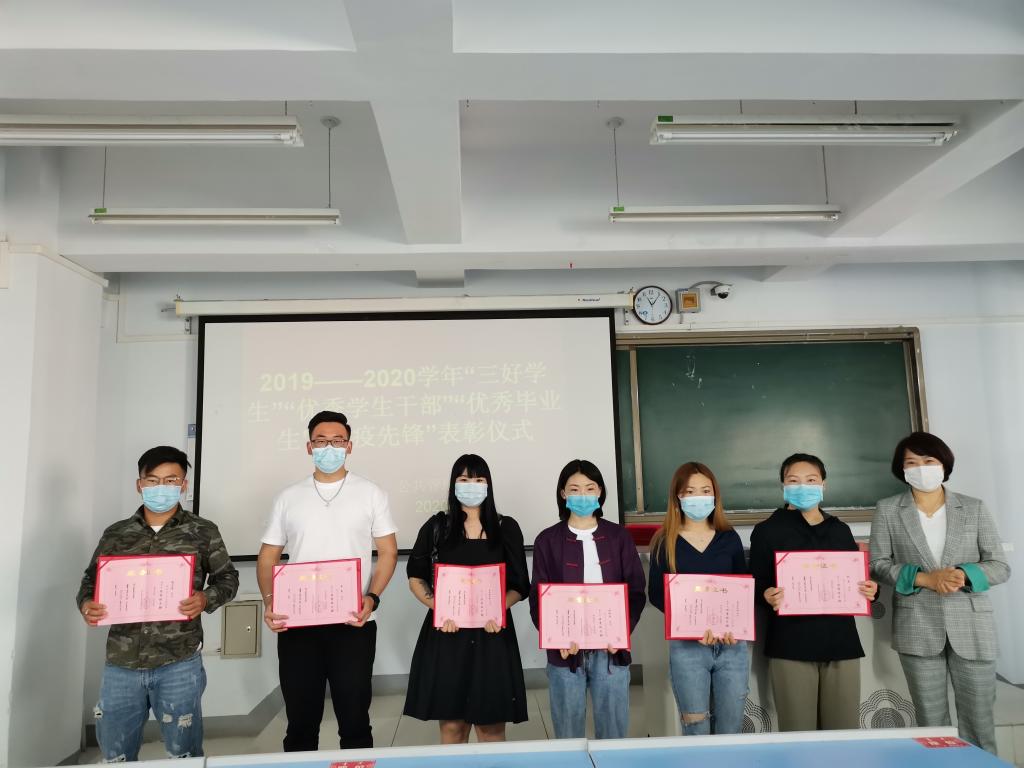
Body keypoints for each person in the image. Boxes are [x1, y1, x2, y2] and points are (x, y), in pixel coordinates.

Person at [77, 446, 239, 762]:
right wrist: (86, 604)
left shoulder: (203, 531)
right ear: (139, 484)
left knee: (184, 753)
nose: (161, 487)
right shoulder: (116, 533)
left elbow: (228, 580)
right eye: (152, 480)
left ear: (184, 484)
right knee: (116, 754)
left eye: (171, 480)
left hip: (179, 660)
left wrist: (205, 598)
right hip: (122, 662)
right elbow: (89, 581)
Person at [257, 411, 398, 751]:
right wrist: (270, 601)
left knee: (355, 720)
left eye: (337, 441)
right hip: (298, 624)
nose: (329, 448)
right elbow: (267, 556)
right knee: (300, 722)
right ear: (309, 447)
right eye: (321, 441)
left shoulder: (371, 493)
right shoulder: (289, 497)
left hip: (354, 621)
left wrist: (372, 598)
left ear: (349, 446)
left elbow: (388, 552)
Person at [870, 432, 1009, 754]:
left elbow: (1000, 566)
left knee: (980, 723)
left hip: (972, 628)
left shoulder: (973, 508)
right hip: (918, 626)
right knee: (932, 725)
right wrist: (924, 579)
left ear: (944, 464)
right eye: (911, 462)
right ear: (901, 469)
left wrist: (964, 574)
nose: (921, 468)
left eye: (928, 460)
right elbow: (878, 564)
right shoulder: (888, 509)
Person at [404, 454, 530, 743]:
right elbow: (415, 577)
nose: (471, 485)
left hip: (492, 635)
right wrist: (439, 609)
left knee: (491, 729)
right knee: (452, 727)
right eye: (464, 479)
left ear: (488, 484)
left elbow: (520, 585)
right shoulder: (437, 526)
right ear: (453, 484)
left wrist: (498, 609)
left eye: (478, 479)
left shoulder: (506, 527)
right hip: (448, 634)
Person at [748, 453, 878, 732]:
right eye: (793, 480)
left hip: (841, 643)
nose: (802, 487)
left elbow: (855, 581)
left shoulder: (840, 530)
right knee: (799, 732)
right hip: (791, 644)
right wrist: (765, 594)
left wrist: (870, 590)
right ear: (783, 485)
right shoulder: (767, 531)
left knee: (843, 732)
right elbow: (755, 584)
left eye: (811, 480)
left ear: (823, 485)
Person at [529, 459, 646, 739]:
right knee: (568, 735)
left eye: (590, 488)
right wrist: (557, 639)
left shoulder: (618, 537)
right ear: (563, 494)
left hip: (611, 651)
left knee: (613, 736)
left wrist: (621, 632)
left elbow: (636, 591)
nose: (582, 495)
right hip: (565, 653)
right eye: (574, 489)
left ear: (600, 491)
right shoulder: (547, 540)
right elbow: (538, 598)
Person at [648, 462, 749, 735]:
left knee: (730, 728)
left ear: (715, 495)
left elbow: (742, 590)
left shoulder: (729, 538)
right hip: (687, 649)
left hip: (731, 646)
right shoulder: (664, 541)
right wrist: (690, 625)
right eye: (690, 491)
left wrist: (733, 626)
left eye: (705, 491)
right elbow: (656, 594)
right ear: (678, 497)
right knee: (696, 728)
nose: (699, 497)